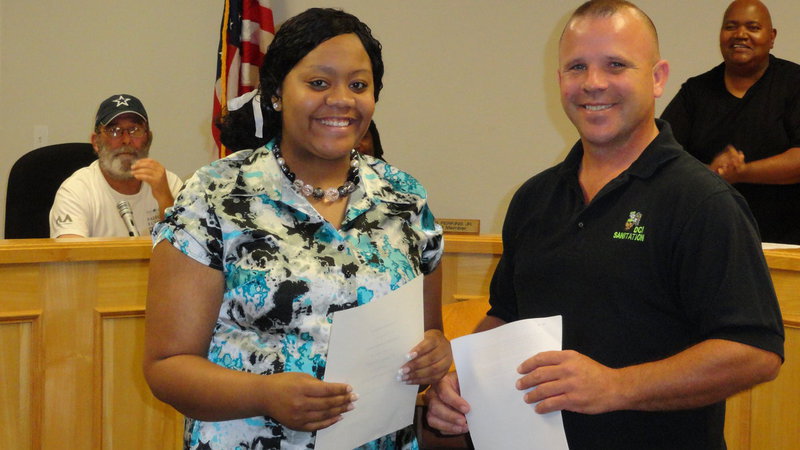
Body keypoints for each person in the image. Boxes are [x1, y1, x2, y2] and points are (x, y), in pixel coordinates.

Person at [425, 1, 784, 449]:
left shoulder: (702, 202)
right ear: (559, 79)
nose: (593, 83)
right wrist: (464, 382)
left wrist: (616, 386)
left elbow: (755, 352)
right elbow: (508, 314)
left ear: (657, 78)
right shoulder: (534, 198)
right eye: (577, 67)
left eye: (616, 64)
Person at [143, 8, 451, 450]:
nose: (341, 99)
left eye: (358, 85)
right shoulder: (214, 195)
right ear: (276, 94)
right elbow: (167, 366)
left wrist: (435, 353)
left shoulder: (405, 199)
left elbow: (428, 337)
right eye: (319, 83)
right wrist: (264, 394)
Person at [661, 0, 800, 244]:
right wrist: (711, 173)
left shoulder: (793, 82)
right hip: (707, 237)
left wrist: (742, 172)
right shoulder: (695, 92)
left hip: (785, 243)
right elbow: (661, 155)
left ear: (771, 37)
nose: (740, 34)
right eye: (731, 27)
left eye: (753, 27)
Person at [49, 94, 183, 238]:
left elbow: (188, 246)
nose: (126, 140)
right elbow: (70, 250)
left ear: (149, 139)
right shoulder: (76, 191)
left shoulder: (169, 184)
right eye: (114, 131)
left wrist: (164, 197)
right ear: (96, 142)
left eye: (135, 130)